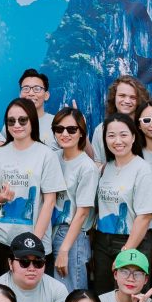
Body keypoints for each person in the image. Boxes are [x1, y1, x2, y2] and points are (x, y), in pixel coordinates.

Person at [0, 97, 63, 281]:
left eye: (22, 120)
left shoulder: (46, 155)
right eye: (11, 121)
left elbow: (50, 201)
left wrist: (34, 241)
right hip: (2, 238)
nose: (17, 125)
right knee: (4, 292)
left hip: (36, 240)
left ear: (32, 121)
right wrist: (0, 198)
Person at [49, 106, 99, 289]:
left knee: (71, 294)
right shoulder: (53, 158)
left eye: (71, 129)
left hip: (72, 235)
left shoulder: (87, 167)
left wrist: (65, 249)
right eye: (59, 129)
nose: (65, 134)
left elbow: (82, 212)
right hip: (51, 230)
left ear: (81, 133)